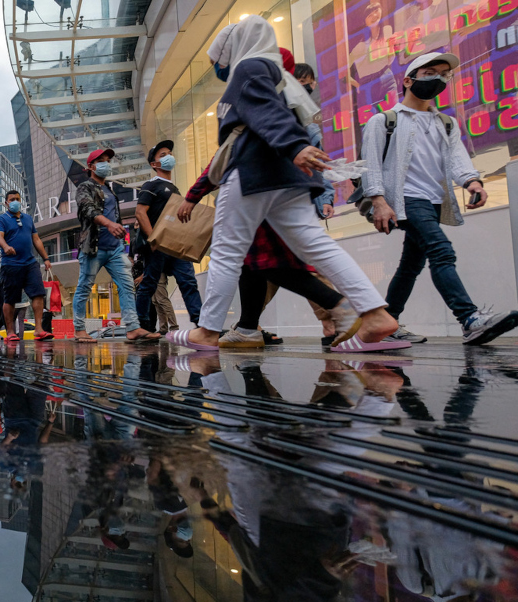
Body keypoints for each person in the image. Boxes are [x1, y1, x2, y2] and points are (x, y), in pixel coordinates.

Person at [176, 17, 401, 353]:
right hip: (286, 177)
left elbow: (266, 114)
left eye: (215, 60)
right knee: (315, 244)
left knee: (225, 252)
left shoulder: (249, 67)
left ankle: (207, 331)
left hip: (254, 172)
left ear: (231, 48)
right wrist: (294, 147)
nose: (218, 68)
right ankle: (374, 313)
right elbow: (274, 115)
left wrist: (293, 145)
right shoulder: (274, 72)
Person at [363, 52, 518, 346]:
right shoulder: (384, 121)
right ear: (408, 81)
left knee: (411, 265)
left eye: (444, 74)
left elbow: (457, 158)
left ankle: (386, 323)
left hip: (434, 202)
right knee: (442, 251)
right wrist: (379, 202)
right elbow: (371, 165)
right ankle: (470, 319)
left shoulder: (445, 123)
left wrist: (472, 182)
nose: (439, 78)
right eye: (430, 72)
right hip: (407, 200)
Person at [73, 149, 159, 343]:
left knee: (127, 286)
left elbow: (116, 218)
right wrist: (109, 224)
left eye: (107, 160)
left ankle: (133, 328)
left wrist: (124, 244)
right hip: (93, 248)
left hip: (115, 249)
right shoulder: (84, 187)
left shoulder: (109, 189)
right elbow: (87, 209)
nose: (106, 164)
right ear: (91, 167)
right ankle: (79, 330)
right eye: (100, 161)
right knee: (84, 287)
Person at [133, 140, 203, 331]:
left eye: (170, 153)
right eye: (162, 155)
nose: (169, 157)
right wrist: (153, 239)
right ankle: (143, 326)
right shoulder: (151, 185)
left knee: (188, 282)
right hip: (158, 246)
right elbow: (140, 212)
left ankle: (202, 324)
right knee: (149, 284)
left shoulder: (175, 189)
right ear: (154, 165)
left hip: (175, 246)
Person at [0, 190, 53, 341]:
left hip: (30, 263)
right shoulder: (2, 219)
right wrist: (6, 247)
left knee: (38, 294)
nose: (15, 202)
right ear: (6, 203)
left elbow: (36, 239)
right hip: (11, 264)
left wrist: (45, 258)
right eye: (12, 199)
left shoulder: (27, 219)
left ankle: (39, 329)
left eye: (17, 199)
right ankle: (10, 332)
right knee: (10, 299)